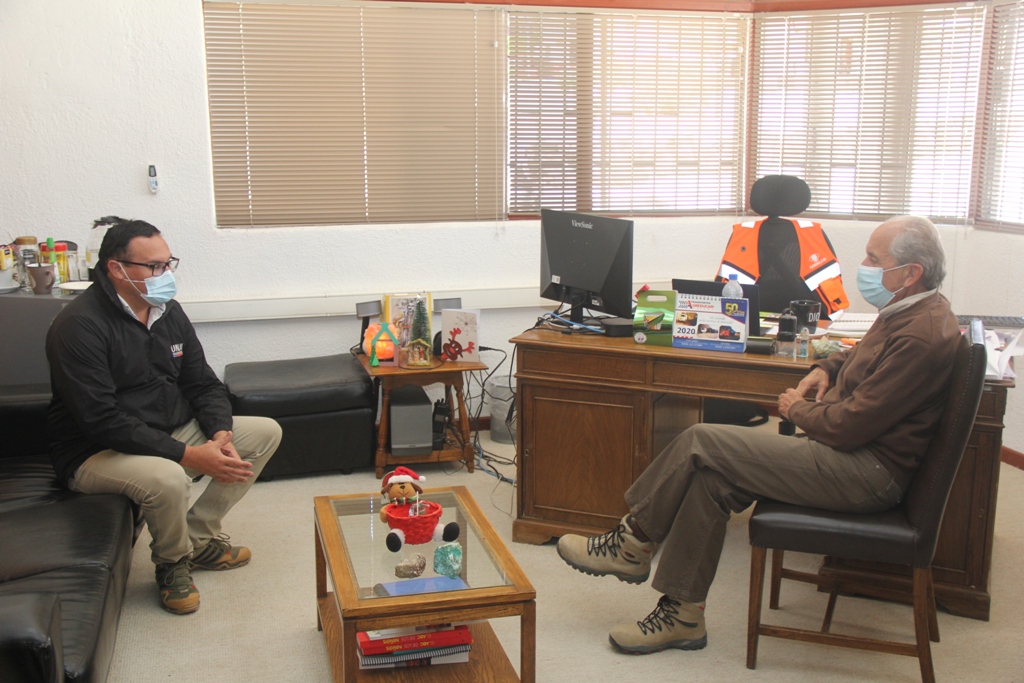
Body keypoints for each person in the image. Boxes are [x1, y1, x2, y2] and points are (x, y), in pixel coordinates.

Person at [557, 215, 960, 654]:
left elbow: (849, 427)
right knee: (712, 480)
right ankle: (682, 616)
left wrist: (797, 409)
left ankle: (631, 542)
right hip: (851, 457)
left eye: (873, 259)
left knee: (700, 438)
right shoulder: (908, 310)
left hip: (864, 472)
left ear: (911, 273)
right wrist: (826, 367)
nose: (863, 265)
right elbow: (863, 356)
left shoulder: (919, 335)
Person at [46, 218, 281, 615]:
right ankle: (172, 564)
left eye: (168, 263)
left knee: (263, 433)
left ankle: (197, 540)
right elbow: (102, 420)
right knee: (169, 476)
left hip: (164, 429)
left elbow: (202, 383)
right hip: (94, 450)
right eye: (153, 266)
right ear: (116, 269)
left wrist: (220, 433)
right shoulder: (78, 326)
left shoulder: (167, 311)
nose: (166, 274)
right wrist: (188, 455)